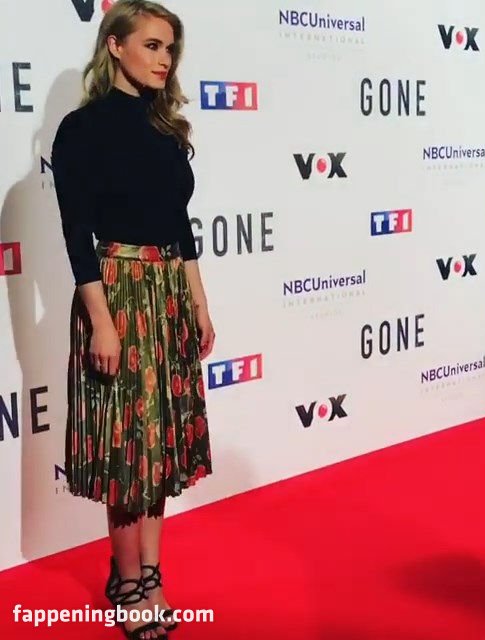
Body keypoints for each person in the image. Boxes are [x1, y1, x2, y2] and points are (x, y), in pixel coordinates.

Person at [51, 2, 214, 638]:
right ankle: (127, 583)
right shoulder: (81, 129)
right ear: (115, 46)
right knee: (127, 446)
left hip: (168, 291)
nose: (164, 59)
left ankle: (150, 572)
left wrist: (198, 302)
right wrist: (101, 321)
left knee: (161, 442)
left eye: (170, 48)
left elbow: (179, 226)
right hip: (116, 291)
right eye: (151, 45)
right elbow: (75, 233)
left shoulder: (165, 129)